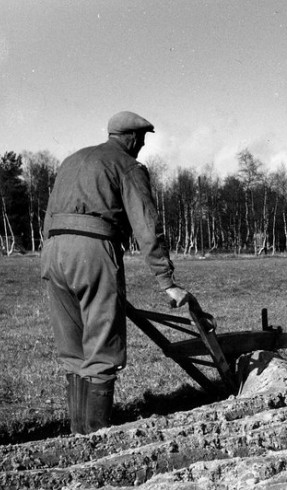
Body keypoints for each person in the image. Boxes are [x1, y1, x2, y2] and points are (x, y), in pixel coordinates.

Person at [41, 111, 190, 434]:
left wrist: (48, 260)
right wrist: (168, 283)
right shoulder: (128, 166)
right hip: (92, 252)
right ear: (133, 138)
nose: (142, 146)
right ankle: (97, 437)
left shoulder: (71, 160)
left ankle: (77, 435)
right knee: (102, 344)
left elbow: (49, 214)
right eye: (142, 140)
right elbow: (146, 226)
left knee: (73, 348)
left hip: (54, 253)